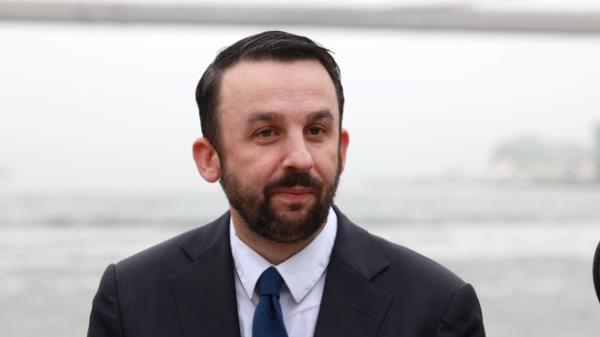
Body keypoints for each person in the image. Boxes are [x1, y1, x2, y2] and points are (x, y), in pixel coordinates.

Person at [87, 31, 486, 337]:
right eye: (267, 133)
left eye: (316, 130)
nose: (300, 157)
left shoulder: (436, 308)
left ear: (341, 149)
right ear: (209, 159)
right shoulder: (131, 298)